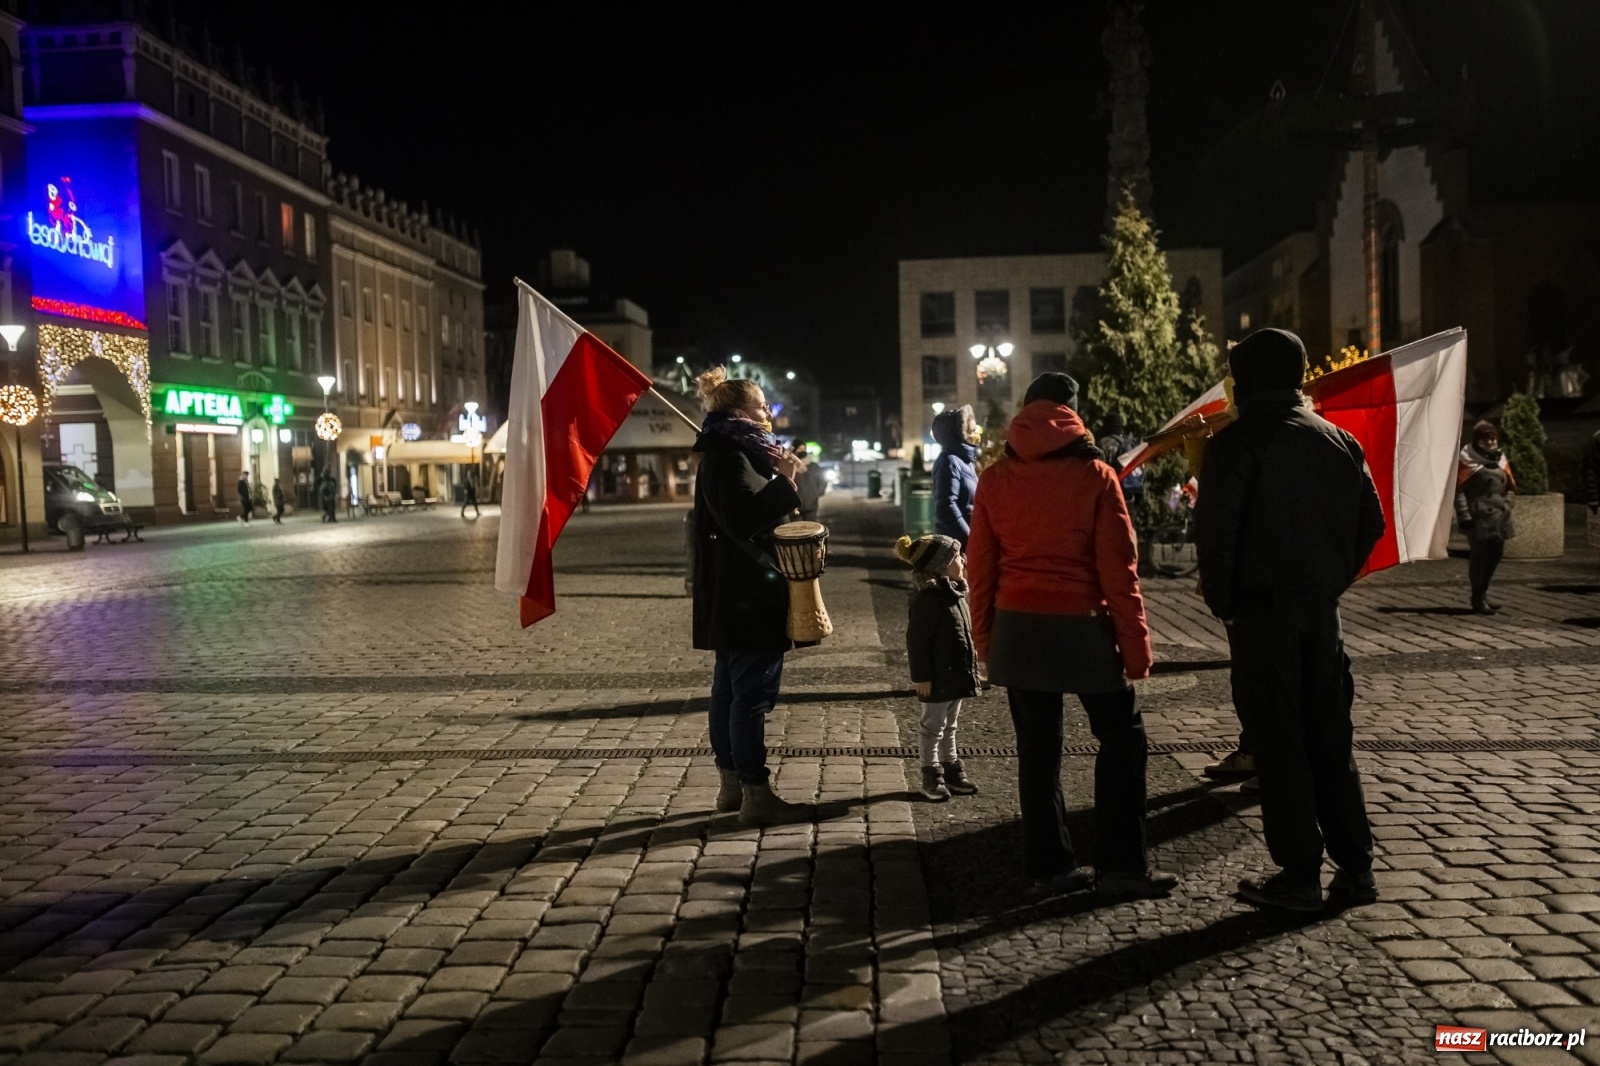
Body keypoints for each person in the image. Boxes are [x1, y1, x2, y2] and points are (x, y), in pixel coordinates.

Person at [1194, 328, 1385, 913]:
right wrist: (1329, 580)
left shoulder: (1235, 444)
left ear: (1246, 379)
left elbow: (1216, 539)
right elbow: (1370, 526)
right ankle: (1356, 871)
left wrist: (1226, 603)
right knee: (1331, 742)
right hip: (1321, 618)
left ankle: (1299, 874)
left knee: (1278, 745)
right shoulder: (1339, 441)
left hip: (1262, 617)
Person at [967, 371, 1173, 900]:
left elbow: (980, 570)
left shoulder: (995, 478)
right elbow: (1119, 574)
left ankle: (1049, 867)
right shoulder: (1097, 476)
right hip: (1082, 627)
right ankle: (1122, 867)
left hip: (1018, 626)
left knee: (1038, 751)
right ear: (1073, 413)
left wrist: (986, 642)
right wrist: (1136, 649)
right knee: (1122, 740)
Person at [690, 366, 813, 826]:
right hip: (746, 594)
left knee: (729, 692)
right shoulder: (729, 454)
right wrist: (783, 482)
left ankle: (732, 789)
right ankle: (755, 793)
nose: (768, 413)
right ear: (742, 411)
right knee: (750, 697)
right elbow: (742, 519)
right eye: (763, 406)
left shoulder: (733, 449)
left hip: (735, 593)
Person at [896, 533, 981, 802]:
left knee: (951, 725)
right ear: (940, 565)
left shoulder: (955, 591)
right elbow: (917, 640)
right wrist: (921, 676)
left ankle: (951, 768)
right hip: (937, 675)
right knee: (932, 726)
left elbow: (964, 635)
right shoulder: (929, 598)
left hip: (955, 673)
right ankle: (931, 775)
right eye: (956, 557)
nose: (963, 560)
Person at [1455, 420, 1516, 615]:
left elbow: (1511, 488)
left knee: (1496, 554)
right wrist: (1464, 515)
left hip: (1500, 516)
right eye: (1485, 438)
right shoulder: (1467, 460)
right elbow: (1458, 491)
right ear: (1477, 441)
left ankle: (1484, 592)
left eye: (1492, 437)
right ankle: (1477, 596)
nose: (1490, 442)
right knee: (1479, 557)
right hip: (1478, 516)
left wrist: (1508, 504)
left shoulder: (1500, 460)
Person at [931, 405, 979, 548]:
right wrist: (969, 539)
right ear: (956, 433)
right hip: (954, 548)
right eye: (970, 431)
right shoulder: (949, 462)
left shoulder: (964, 461)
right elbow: (946, 507)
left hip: (963, 543)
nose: (975, 435)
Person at [794, 447, 828, 523]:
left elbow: (822, 484)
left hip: (809, 506)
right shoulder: (792, 468)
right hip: (796, 506)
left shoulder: (814, 467)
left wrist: (814, 494)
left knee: (809, 529)